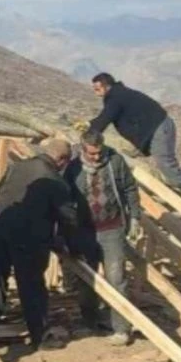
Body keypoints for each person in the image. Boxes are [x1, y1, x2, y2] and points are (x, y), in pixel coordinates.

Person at [0, 137, 86, 350]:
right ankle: (39, 335)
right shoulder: (55, 181)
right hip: (31, 237)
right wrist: (74, 247)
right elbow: (67, 219)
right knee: (31, 285)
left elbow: (1, 188)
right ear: (62, 160)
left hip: (2, 226)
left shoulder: (17, 167)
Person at [65, 129, 142, 346]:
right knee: (87, 279)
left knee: (117, 279)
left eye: (99, 153)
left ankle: (121, 328)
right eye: (91, 154)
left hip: (112, 228)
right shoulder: (73, 168)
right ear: (82, 148)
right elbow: (65, 199)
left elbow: (130, 189)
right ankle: (90, 322)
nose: (96, 157)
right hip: (85, 231)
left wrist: (135, 216)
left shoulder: (115, 162)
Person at [87, 73, 181, 206]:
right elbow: (107, 117)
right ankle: (143, 149)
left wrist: (90, 134)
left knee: (167, 166)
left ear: (106, 86)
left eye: (97, 89)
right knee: (163, 162)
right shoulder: (118, 94)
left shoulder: (115, 98)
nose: (95, 92)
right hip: (155, 128)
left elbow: (105, 118)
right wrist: (89, 124)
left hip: (159, 129)